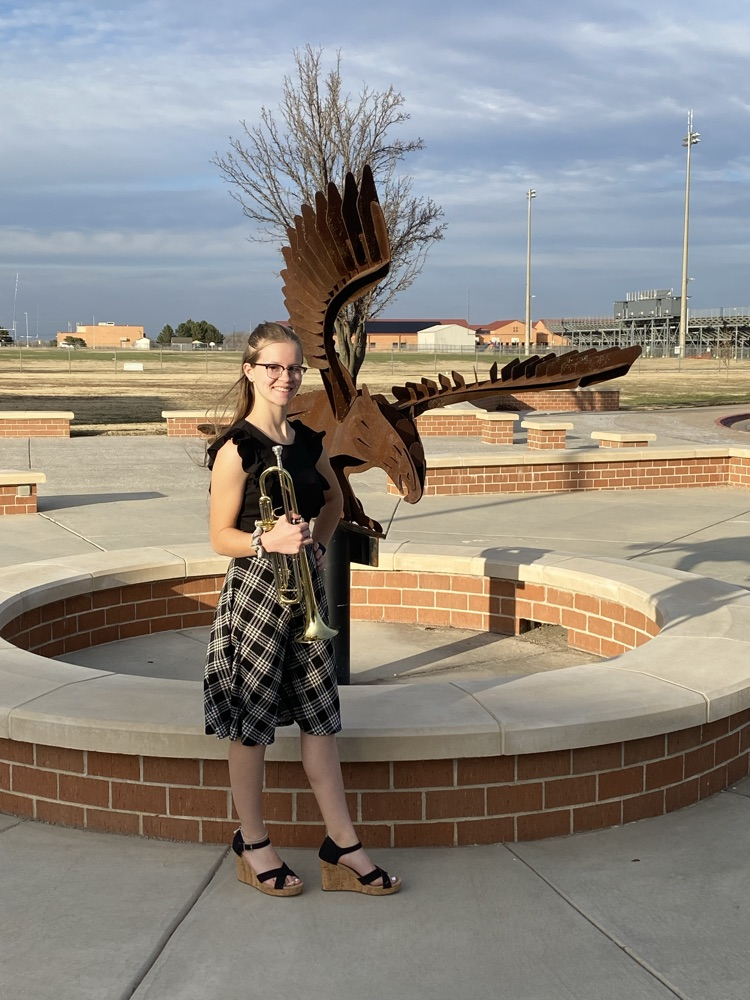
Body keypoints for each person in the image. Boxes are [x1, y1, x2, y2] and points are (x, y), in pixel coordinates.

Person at [204, 322, 401, 898]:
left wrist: (315, 541)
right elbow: (219, 537)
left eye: (293, 369)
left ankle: (342, 845)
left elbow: (336, 499)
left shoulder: (310, 442)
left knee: (321, 721)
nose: (285, 377)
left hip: (305, 593)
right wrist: (268, 541)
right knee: (251, 728)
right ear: (250, 370)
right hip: (258, 596)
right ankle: (254, 841)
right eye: (273, 367)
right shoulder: (236, 450)